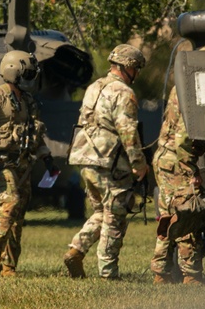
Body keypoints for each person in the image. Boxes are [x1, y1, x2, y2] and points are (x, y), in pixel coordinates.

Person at [63, 44, 148, 280]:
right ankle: (108, 272)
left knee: (101, 212)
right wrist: (139, 163)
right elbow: (127, 130)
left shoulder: (94, 87)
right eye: (137, 69)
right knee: (115, 216)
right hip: (108, 161)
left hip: (85, 157)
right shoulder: (123, 92)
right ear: (128, 67)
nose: (138, 74)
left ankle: (76, 251)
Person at [0, 50, 52, 277]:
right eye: (27, 74)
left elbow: (34, 134)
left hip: (24, 166)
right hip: (0, 163)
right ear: (14, 73)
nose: (31, 79)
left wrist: (46, 157)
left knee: (18, 216)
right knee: (10, 202)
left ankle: (9, 267)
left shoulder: (28, 102)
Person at [150, 86, 205, 284]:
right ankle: (191, 275)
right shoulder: (199, 88)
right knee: (187, 214)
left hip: (165, 158)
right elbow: (183, 139)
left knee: (168, 216)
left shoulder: (183, 83)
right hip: (177, 161)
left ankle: (161, 273)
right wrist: (191, 170)